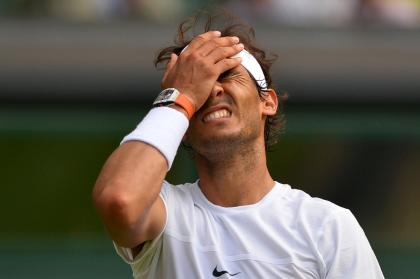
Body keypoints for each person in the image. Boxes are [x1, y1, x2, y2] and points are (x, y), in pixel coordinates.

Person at [92, 13, 384, 279]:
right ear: (180, 126)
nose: (213, 89)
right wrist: (179, 97)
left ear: (267, 101)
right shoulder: (167, 213)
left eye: (228, 75)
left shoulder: (327, 226)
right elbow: (120, 199)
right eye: (199, 87)